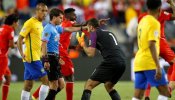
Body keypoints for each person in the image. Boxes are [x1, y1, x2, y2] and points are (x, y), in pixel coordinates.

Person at [76, 18, 126, 100]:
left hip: (111, 61)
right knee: (108, 85)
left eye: (88, 28)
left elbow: (90, 54)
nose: (88, 31)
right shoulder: (109, 32)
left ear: (91, 27)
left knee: (88, 85)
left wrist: (82, 43)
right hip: (122, 62)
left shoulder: (93, 34)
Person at [132, 0, 171, 100]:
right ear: (160, 8)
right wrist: (158, 65)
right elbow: (151, 44)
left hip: (139, 61)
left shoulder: (142, 20)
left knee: (138, 95)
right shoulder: (154, 22)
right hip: (149, 62)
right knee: (165, 92)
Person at [17, 3, 49, 100]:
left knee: (28, 86)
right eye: (42, 11)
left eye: (46, 11)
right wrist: (22, 53)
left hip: (36, 57)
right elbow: (19, 38)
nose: (45, 13)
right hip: (31, 58)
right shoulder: (30, 22)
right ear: (37, 11)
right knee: (46, 81)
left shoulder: (40, 24)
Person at [0, 14, 19, 100]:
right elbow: (11, 46)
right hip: (2, 57)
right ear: (14, 22)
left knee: (8, 77)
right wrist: (19, 44)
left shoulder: (2, 27)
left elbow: (6, 42)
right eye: (17, 22)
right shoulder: (10, 29)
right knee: (0, 79)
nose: (18, 24)